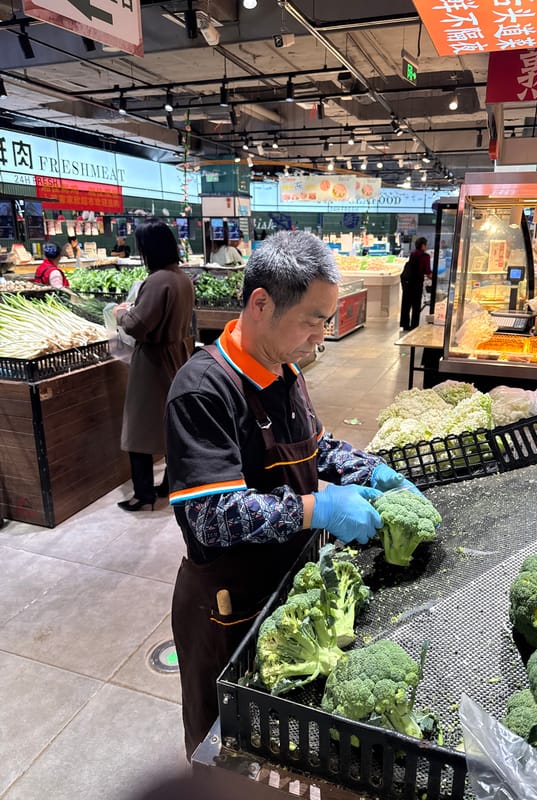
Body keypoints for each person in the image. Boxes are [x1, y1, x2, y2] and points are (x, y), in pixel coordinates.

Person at [165, 230, 421, 759]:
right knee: (225, 751)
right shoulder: (202, 389)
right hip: (226, 606)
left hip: (287, 586)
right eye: (314, 319)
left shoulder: (285, 370)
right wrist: (318, 507)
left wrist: (370, 471)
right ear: (261, 303)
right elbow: (209, 517)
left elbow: (315, 444)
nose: (322, 337)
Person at [114, 219, 195, 512]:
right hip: (177, 355)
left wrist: (121, 313)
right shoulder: (181, 278)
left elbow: (137, 326)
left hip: (152, 362)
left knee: (138, 429)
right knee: (172, 425)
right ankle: (170, 484)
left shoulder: (158, 280)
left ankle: (143, 494)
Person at [400, 236, 432, 331]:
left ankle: (405, 324)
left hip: (407, 282)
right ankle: (414, 325)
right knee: (416, 304)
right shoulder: (425, 256)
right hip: (417, 283)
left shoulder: (413, 254)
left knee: (406, 303)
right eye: (425, 245)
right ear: (422, 245)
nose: (426, 247)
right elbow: (427, 271)